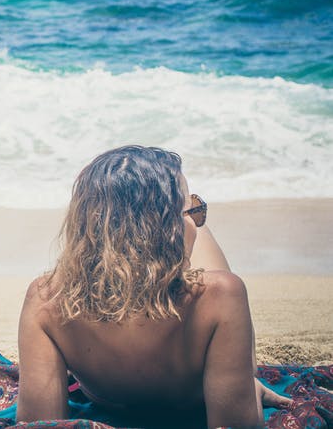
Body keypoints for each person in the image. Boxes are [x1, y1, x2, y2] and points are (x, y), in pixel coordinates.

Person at [16, 145, 291, 429]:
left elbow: (38, 423)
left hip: (105, 397)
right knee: (211, 261)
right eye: (191, 211)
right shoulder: (221, 295)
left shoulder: (46, 298)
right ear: (162, 228)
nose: (194, 222)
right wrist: (250, 390)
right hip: (191, 398)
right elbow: (237, 424)